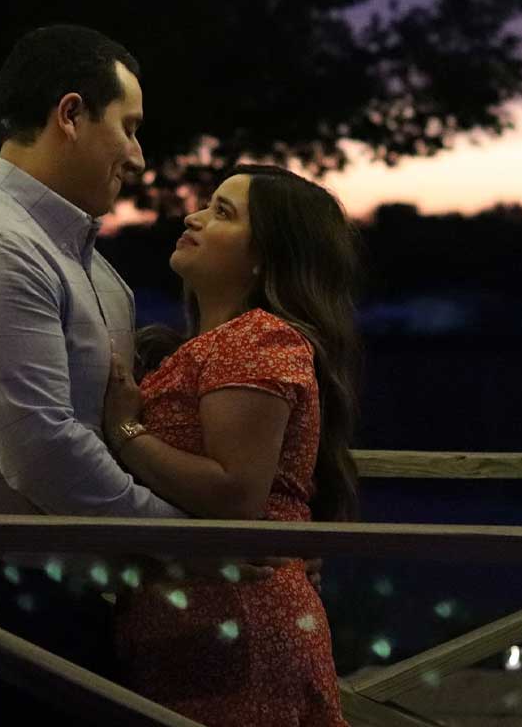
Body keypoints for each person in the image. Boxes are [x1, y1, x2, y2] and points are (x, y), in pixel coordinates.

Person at [0, 24, 185, 725]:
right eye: (129, 128)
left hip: (40, 586)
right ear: (70, 115)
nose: (138, 157)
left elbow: (94, 431)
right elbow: (41, 447)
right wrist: (186, 541)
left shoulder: (80, 261)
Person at [101, 165, 362, 727]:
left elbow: (236, 494)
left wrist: (126, 432)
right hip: (205, 627)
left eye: (223, 212)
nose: (192, 217)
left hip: (242, 622)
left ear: (266, 256)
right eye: (206, 204)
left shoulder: (258, 339)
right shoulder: (211, 345)